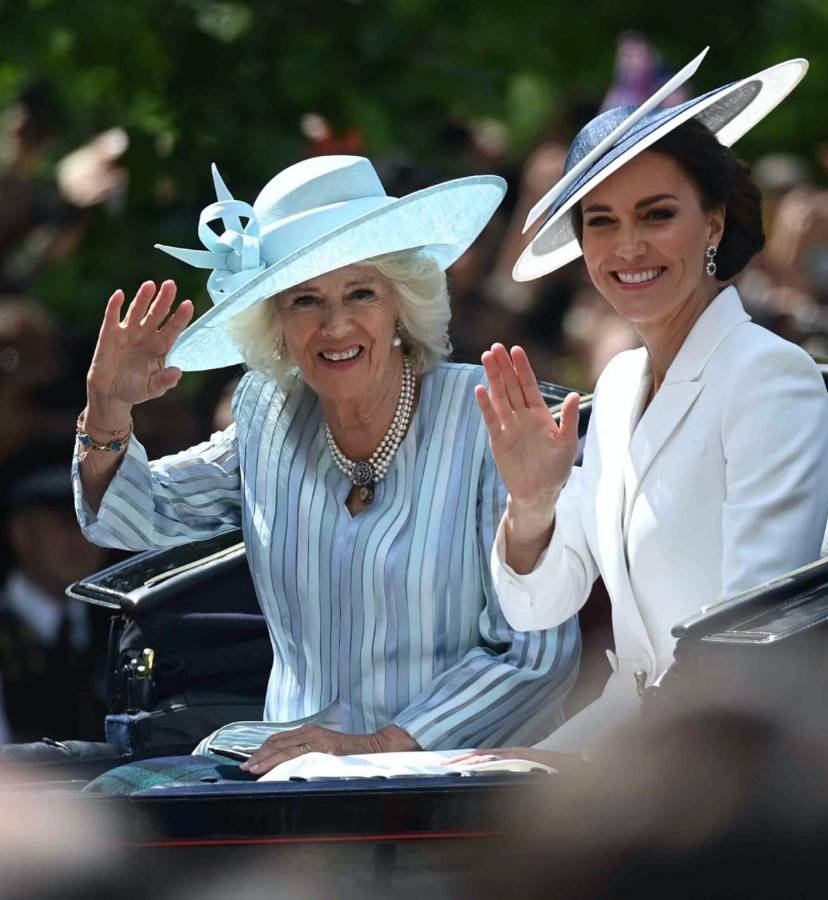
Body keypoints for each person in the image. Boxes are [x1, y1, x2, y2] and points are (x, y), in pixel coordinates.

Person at [72, 155, 579, 779]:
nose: (335, 325)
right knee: (123, 795)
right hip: (289, 778)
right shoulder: (268, 415)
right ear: (276, 324)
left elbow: (535, 655)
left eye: (361, 292)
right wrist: (108, 409)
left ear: (400, 304)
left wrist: (380, 746)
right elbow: (137, 516)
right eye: (304, 300)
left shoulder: (487, 419)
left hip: (459, 786)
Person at [467, 51, 828, 764]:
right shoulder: (617, 384)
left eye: (657, 214)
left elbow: (748, 639)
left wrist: (598, 773)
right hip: (630, 733)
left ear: (713, 223)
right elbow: (538, 607)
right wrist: (533, 502)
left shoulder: (768, 376)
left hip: (729, 756)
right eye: (601, 222)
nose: (628, 247)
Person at [0, 458, 109, 742]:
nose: (80, 537)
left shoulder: (117, 626)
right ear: (22, 533)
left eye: (91, 520)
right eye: (64, 521)